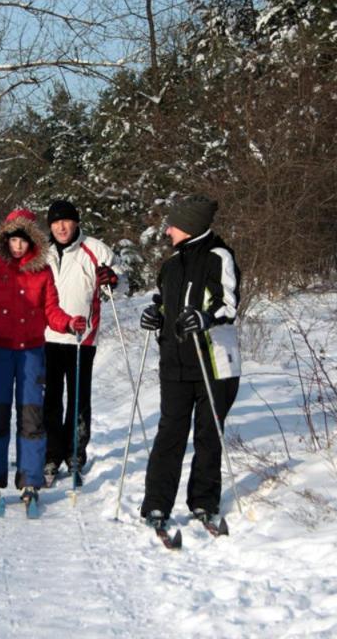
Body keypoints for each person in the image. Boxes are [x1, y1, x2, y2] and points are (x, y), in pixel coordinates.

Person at [0, 208, 87, 508]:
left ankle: (30, 480)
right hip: (0, 352)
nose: (17, 246)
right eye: (12, 240)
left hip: (31, 353)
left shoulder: (42, 271)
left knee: (31, 417)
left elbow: (51, 310)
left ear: (32, 242)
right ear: (4, 240)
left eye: (23, 241)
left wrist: (68, 322)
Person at [139, 194, 242, 531]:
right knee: (169, 434)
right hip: (175, 364)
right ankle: (156, 505)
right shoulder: (170, 266)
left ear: (190, 225)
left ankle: (203, 501)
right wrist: (157, 315)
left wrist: (205, 317)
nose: (168, 230)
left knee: (208, 436)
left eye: (174, 224)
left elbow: (229, 304)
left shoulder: (218, 257)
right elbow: (168, 306)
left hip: (213, 362)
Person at [41, 199, 120, 486]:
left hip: (81, 337)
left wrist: (111, 279)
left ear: (76, 222)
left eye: (66, 221)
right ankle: (51, 453)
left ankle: (75, 451)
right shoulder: (44, 253)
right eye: (55, 222)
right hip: (48, 336)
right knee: (50, 399)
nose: (61, 227)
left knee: (77, 396)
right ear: (50, 226)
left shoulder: (95, 249)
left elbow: (117, 280)